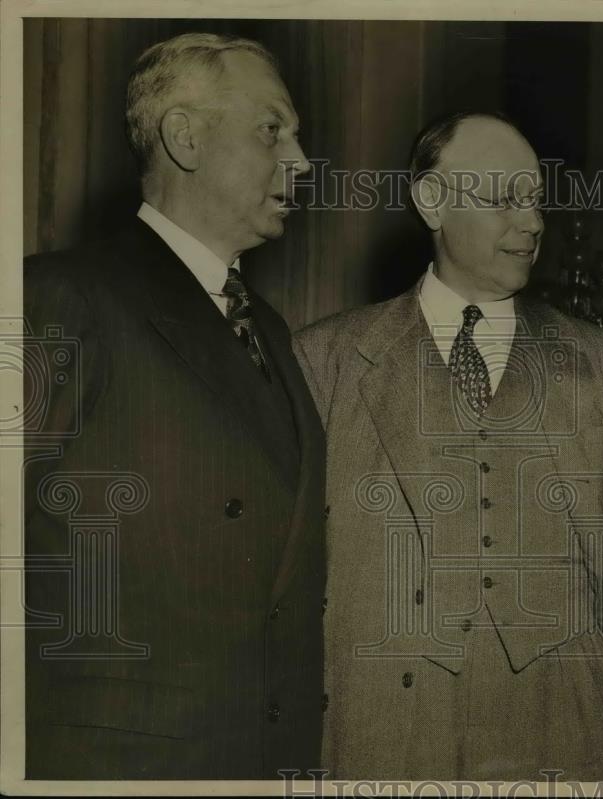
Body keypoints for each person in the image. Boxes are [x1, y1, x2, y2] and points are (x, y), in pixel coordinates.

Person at [293, 110, 603, 780]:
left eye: (536, 201)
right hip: (381, 732)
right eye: (504, 200)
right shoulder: (328, 356)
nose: (532, 223)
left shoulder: (595, 358)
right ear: (431, 201)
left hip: (564, 729)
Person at [23, 33, 326, 779]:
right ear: (185, 136)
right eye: (272, 129)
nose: (302, 162)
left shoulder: (273, 332)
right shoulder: (57, 298)